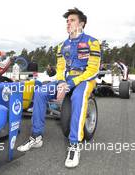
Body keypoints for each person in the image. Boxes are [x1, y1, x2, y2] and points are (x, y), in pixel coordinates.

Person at [17, 8, 101, 168]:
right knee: (40, 92)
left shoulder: (92, 42)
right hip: (65, 79)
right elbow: (61, 68)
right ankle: (36, 137)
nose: (68, 23)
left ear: (81, 23)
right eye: (67, 21)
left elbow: (93, 70)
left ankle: (75, 144)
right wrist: (62, 82)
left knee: (78, 97)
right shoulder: (62, 46)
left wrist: (70, 84)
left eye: (72, 20)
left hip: (85, 79)